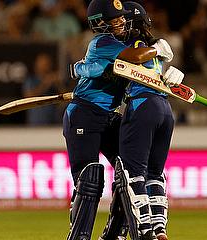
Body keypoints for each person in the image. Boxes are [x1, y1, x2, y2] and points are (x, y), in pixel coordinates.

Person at [63, 0, 174, 239]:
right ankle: (79, 236)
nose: (122, 21)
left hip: (108, 116)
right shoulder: (103, 42)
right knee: (90, 178)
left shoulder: (118, 44)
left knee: (129, 170)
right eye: (116, 19)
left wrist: (166, 77)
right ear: (100, 23)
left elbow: (140, 73)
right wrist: (158, 49)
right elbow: (135, 56)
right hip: (84, 114)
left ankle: (114, 233)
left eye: (123, 17)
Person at [99, 2, 183, 240]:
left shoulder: (132, 45)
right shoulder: (156, 47)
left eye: (123, 20)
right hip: (165, 109)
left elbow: (128, 61)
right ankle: (159, 229)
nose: (119, 24)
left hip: (141, 105)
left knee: (133, 173)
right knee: (155, 174)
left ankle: (143, 230)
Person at [23, 53, 64, 125]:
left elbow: (65, 96)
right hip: (36, 122)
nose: (45, 66)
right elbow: (28, 96)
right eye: (42, 63)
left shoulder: (54, 79)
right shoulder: (31, 80)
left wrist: (58, 83)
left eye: (47, 63)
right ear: (36, 65)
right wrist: (45, 84)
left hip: (53, 121)